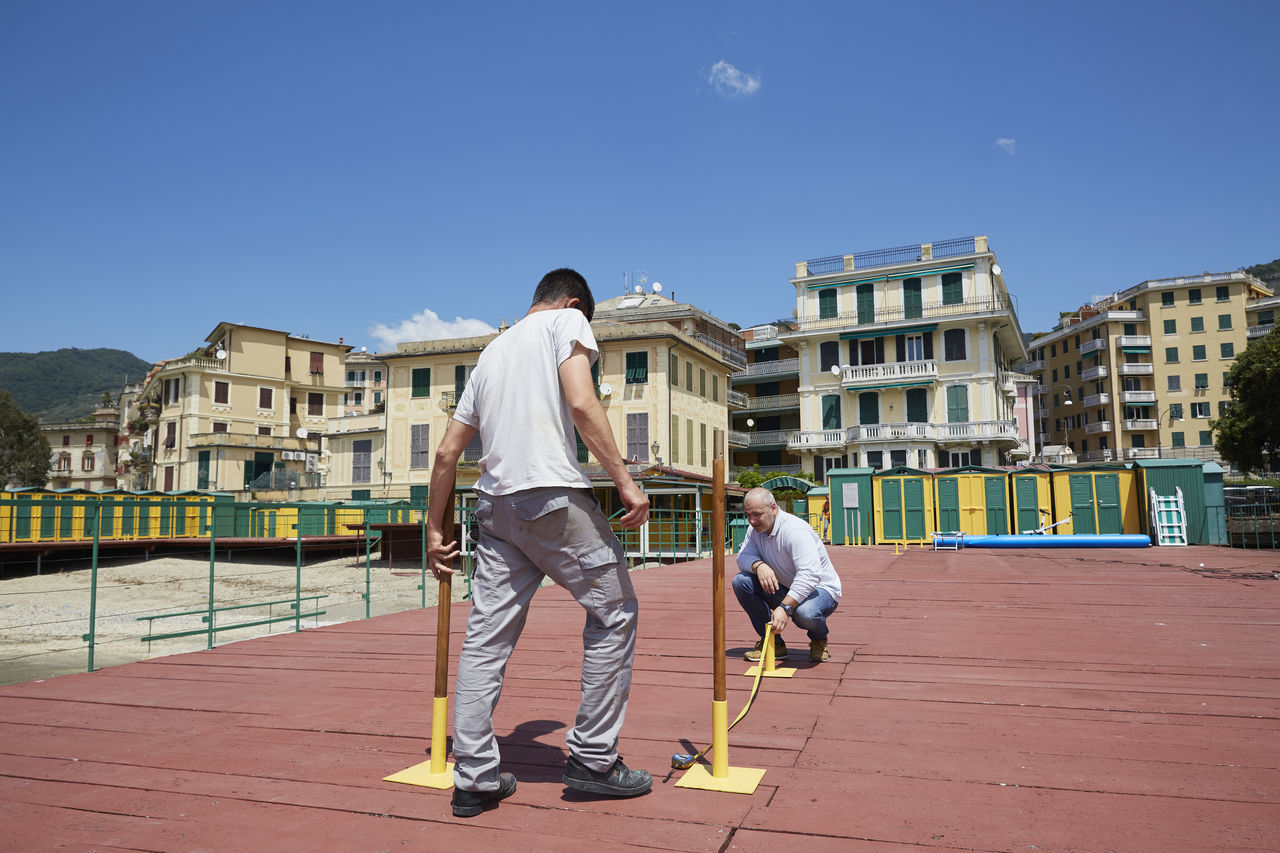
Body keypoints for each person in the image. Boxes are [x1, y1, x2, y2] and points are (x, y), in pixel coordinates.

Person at [427, 268, 652, 818]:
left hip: (495, 510)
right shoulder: (569, 321)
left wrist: (435, 530)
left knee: (486, 639)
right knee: (616, 612)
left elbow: (446, 454)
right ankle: (594, 760)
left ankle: (475, 778)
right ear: (573, 303)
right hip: (552, 498)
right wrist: (624, 480)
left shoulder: (491, 353)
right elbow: (581, 403)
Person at [733, 487, 841, 663]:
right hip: (786, 585)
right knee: (741, 581)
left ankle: (819, 638)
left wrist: (784, 608)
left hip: (821, 589)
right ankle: (774, 644)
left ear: (773, 508)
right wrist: (758, 565)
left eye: (757, 514)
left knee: (805, 613)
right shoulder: (755, 530)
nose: (751, 521)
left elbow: (810, 576)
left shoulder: (795, 531)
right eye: (747, 515)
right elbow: (742, 556)